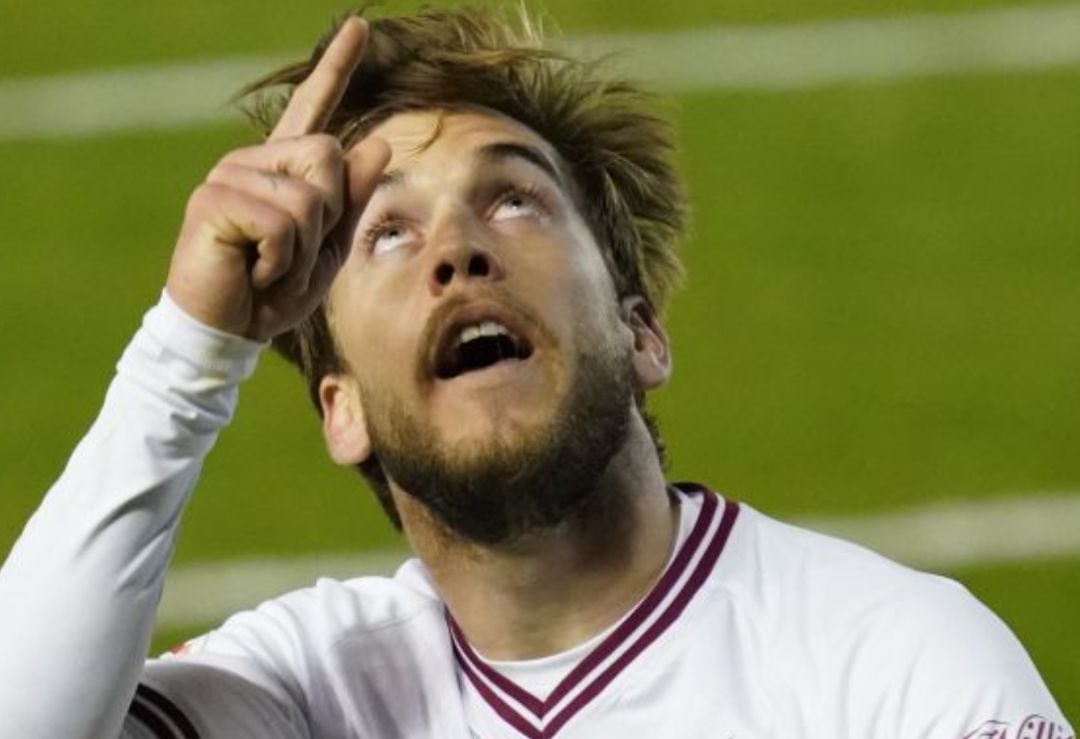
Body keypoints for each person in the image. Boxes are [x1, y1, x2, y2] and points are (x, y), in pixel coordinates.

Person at [0, 7, 1072, 739]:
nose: (457, 249)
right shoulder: (309, 686)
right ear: (342, 412)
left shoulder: (883, 661)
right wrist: (192, 349)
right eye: (383, 236)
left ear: (641, 333)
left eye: (514, 199)